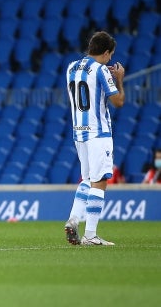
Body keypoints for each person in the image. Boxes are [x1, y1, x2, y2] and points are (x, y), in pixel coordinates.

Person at [64, 31, 125, 246]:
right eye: (111, 55)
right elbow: (118, 102)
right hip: (98, 132)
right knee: (100, 181)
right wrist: (119, 79)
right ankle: (90, 234)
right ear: (106, 52)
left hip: (79, 131)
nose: (110, 59)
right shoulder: (101, 70)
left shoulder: (71, 67)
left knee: (87, 179)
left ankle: (73, 219)